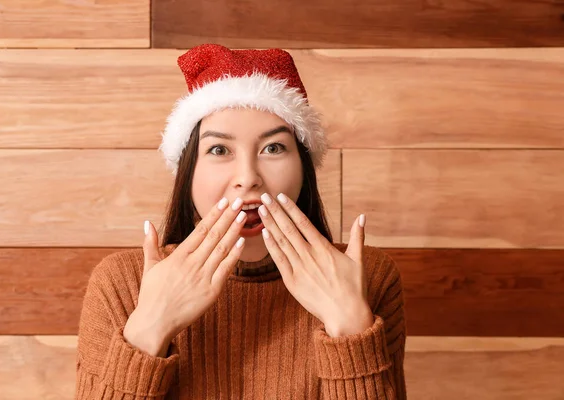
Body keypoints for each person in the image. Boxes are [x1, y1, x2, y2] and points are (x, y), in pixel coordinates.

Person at [75, 44, 407, 399]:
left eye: (274, 148)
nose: (247, 178)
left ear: (304, 168)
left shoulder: (367, 277)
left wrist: (351, 330)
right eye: (219, 150)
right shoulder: (121, 285)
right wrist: (148, 330)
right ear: (188, 172)